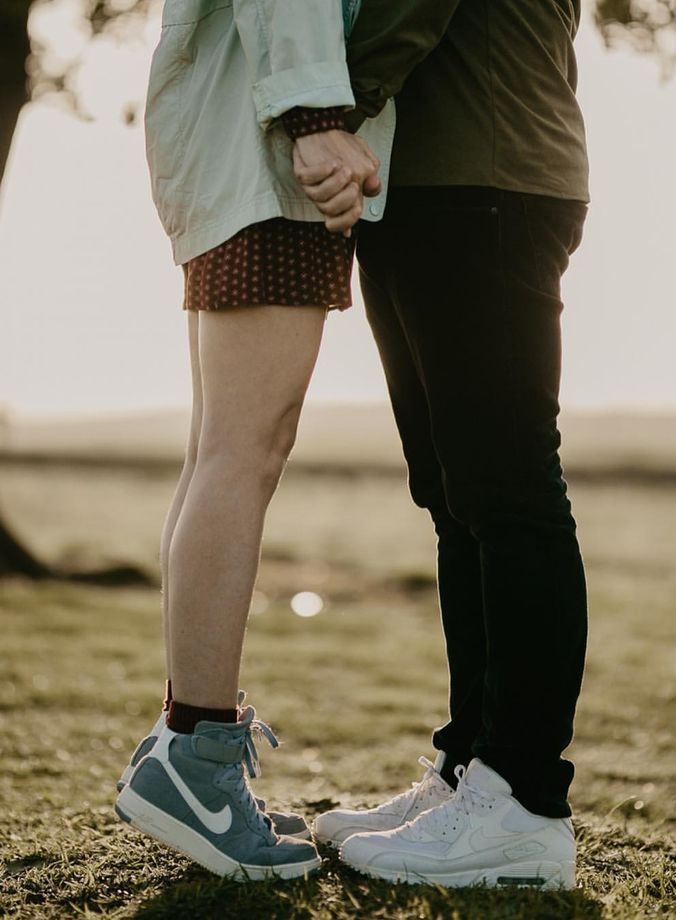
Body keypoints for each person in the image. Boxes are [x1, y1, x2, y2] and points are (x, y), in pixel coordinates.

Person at [307, 0, 591, 890]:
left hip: (486, 177)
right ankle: (471, 768)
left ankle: (523, 802)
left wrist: (317, 113)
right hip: (426, 183)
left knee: (508, 493)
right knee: (456, 500)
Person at [114, 0, 390, 880]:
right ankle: (196, 758)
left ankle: (183, 743)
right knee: (243, 453)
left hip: (242, 151)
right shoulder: (298, 132)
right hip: (272, 158)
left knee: (220, 454)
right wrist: (314, 118)